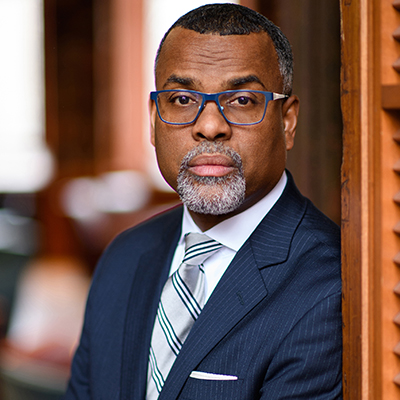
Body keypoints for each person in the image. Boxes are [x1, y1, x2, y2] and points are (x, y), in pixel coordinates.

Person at [64, 3, 342, 399]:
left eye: (243, 100)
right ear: (154, 120)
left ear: (287, 122)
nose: (210, 126)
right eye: (181, 99)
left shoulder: (328, 289)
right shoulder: (124, 257)